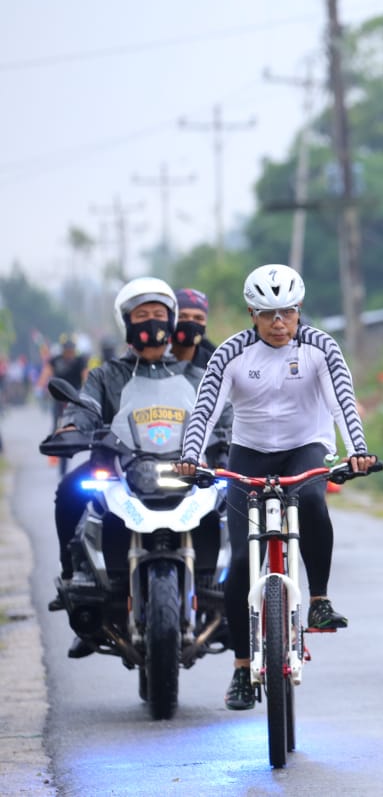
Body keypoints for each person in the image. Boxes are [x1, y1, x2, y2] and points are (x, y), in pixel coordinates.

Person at [174, 264, 378, 711]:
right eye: (267, 313)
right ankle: (241, 668)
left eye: (287, 311)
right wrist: (191, 456)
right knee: (238, 562)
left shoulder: (321, 348)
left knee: (312, 499)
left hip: (306, 447)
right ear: (252, 313)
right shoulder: (231, 353)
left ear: (299, 308)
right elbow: (205, 410)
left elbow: (342, 403)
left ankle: (319, 599)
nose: (279, 322)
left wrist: (358, 451)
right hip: (249, 453)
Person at [45, 278, 229, 657]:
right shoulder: (105, 375)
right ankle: (74, 578)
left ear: (171, 320)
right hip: (120, 469)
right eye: (142, 315)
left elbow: (223, 414)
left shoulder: (196, 376)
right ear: (126, 322)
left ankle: (237, 591)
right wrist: (71, 427)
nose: (151, 321)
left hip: (186, 471)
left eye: (159, 314)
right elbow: (85, 407)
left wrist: (232, 438)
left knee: (234, 500)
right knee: (69, 492)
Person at [36, 334, 89, 473]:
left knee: (79, 425)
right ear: (63, 350)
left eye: (71, 350)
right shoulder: (56, 360)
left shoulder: (80, 361)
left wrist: (88, 390)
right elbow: (46, 373)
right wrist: (40, 387)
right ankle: (53, 452)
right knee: (55, 425)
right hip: (59, 398)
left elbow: (85, 376)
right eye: (67, 350)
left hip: (75, 398)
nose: (69, 353)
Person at [172, 287, 218, 369]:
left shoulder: (215, 365)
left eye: (198, 318)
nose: (190, 322)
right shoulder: (155, 359)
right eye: (182, 316)